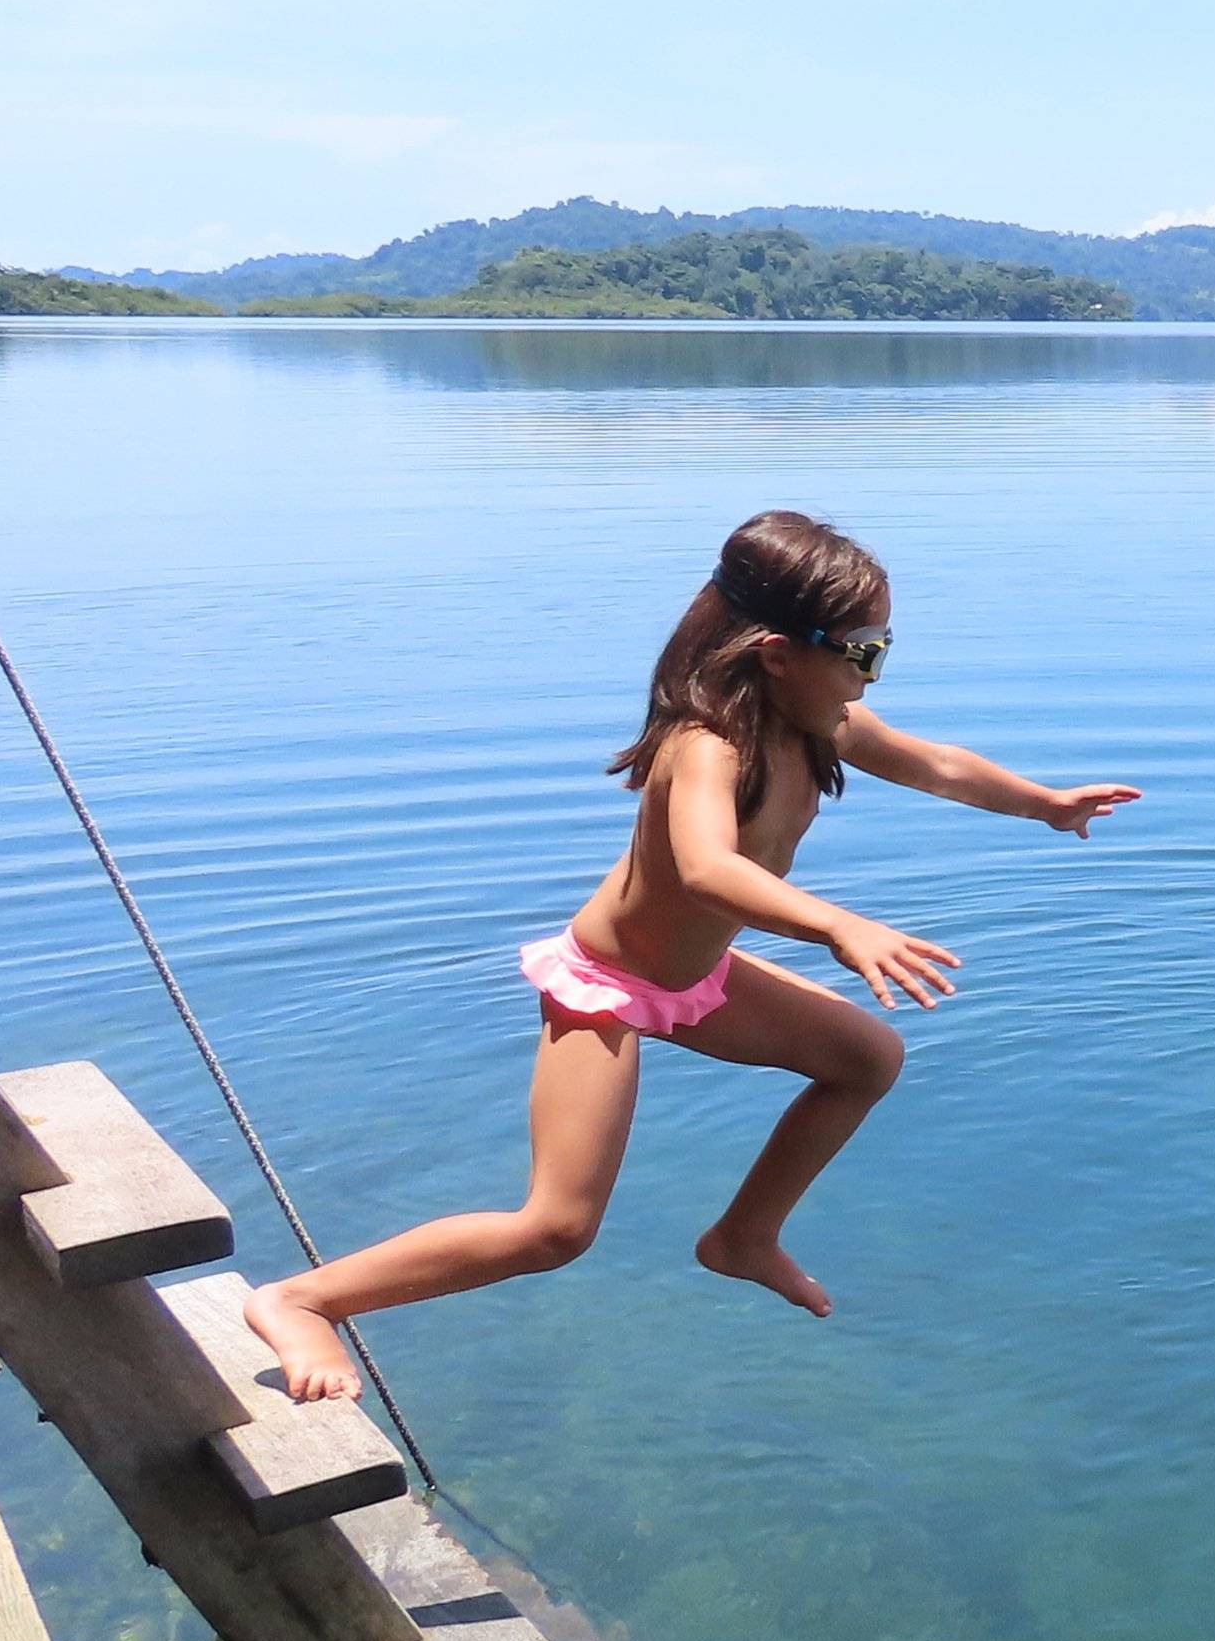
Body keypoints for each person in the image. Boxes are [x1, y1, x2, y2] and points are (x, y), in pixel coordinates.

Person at [245, 509, 1138, 1403]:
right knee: (555, 1229)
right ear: (778, 653)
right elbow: (708, 870)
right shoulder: (703, 746)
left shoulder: (820, 720)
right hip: (608, 987)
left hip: (696, 976)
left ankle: (744, 1239)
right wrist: (839, 926)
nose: (873, 674)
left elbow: (936, 764)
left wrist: (1046, 804)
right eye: (860, 651)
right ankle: (302, 1301)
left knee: (868, 1058)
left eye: (882, 647)